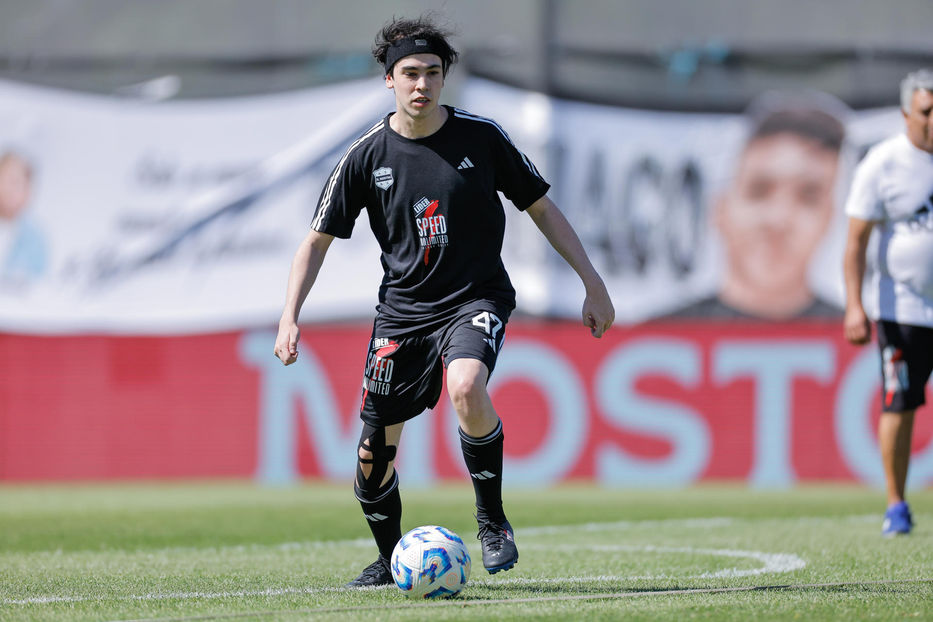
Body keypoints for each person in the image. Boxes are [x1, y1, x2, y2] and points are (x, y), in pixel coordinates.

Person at [273, 15, 614, 586]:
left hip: (474, 297)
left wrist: (592, 282)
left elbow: (543, 208)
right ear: (389, 80)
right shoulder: (364, 156)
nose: (422, 85)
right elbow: (315, 242)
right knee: (370, 466)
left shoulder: (482, 138)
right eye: (410, 73)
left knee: (466, 386)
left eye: (433, 72)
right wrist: (290, 317)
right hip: (402, 316)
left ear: (445, 76)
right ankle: (389, 559)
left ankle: (492, 519)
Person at [843, 68, 933, 536]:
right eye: (927, 111)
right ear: (905, 114)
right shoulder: (883, 163)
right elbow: (855, 241)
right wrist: (855, 305)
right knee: (900, 403)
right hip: (904, 309)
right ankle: (896, 503)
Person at [667, 98, 846, 320]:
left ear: (829, 218)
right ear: (720, 209)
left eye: (807, 198)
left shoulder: (867, 344)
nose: (778, 219)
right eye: (759, 191)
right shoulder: (651, 338)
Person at [0, 150, 46, 286]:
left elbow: (37, 286)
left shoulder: (36, 238)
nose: (9, 189)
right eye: (6, 180)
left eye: (17, 182)